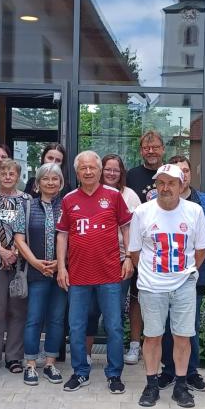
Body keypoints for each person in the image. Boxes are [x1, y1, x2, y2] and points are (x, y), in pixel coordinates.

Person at [129, 164, 205, 409]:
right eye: (161, 183)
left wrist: (187, 272)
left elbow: (202, 247)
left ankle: (181, 385)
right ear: (156, 185)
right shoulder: (143, 212)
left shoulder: (194, 211)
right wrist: (149, 272)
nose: (165, 188)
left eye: (171, 183)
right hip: (152, 285)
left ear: (181, 184)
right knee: (152, 336)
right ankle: (151, 385)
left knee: (183, 337)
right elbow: (134, 251)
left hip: (184, 284)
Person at [56, 150, 133, 394]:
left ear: (100, 171)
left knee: (114, 326)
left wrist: (129, 257)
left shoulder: (113, 196)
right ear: (77, 172)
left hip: (110, 273)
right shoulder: (68, 199)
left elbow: (127, 228)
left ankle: (114, 374)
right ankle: (80, 372)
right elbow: (63, 235)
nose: (88, 172)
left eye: (92, 168)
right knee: (76, 326)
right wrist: (61, 267)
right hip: (78, 275)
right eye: (83, 168)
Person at [157, 155, 205, 392]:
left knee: (188, 327)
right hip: (162, 277)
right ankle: (167, 371)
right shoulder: (156, 200)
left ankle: (190, 372)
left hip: (193, 275)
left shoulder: (203, 202)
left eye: (185, 170)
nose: (182, 175)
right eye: (177, 171)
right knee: (164, 327)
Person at [85, 154, 141, 365]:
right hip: (92, 261)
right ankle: (87, 355)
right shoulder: (88, 194)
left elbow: (133, 229)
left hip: (118, 261)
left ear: (121, 173)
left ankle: (113, 358)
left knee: (114, 312)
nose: (111, 173)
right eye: (107, 169)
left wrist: (129, 257)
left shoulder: (130, 196)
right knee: (90, 310)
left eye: (115, 170)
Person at [15, 163, 67, 385]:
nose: (50, 182)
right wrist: (35, 263)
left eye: (55, 178)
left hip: (60, 273)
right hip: (35, 273)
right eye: (45, 179)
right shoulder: (26, 206)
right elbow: (19, 238)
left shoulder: (67, 206)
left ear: (61, 182)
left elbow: (71, 237)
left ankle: (50, 364)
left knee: (56, 320)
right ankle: (30, 364)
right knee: (34, 319)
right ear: (37, 183)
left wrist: (60, 263)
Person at [0, 159, 29, 375]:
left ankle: (14, 357)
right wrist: (0, 251)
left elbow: (31, 231)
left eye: (12, 173)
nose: (8, 176)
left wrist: (19, 252)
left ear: (18, 176)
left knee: (17, 311)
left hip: (20, 265)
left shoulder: (27, 200)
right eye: (4, 173)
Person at [123, 130, 166, 364]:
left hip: (166, 249)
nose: (151, 151)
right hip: (139, 248)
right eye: (146, 148)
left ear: (163, 149)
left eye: (155, 147)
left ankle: (162, 345)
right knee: (137, 298)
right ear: (141, 150)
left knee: (166, 298)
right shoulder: (132, 175)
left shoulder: (170, 174)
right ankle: (135, 344)